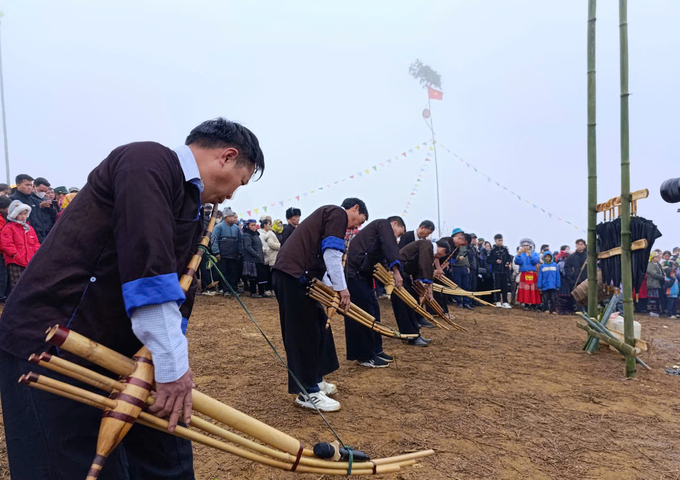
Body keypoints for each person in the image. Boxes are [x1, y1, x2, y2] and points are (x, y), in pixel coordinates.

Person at [0, 117, 264, 478]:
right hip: (52, 341)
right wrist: (172, 367)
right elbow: (148, 268)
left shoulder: (189, 200)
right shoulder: (147, 162)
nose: (232, 195)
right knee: (66, 464)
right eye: (241, 182)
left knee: (161, 456)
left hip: (116, 350)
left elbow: (175, 288)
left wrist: (160, 357)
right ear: (228, 157)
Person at [273, 198, 368, 412]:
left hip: (302, 279)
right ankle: (307, 392)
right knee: (302, 334)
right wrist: (342, 289)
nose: (355, 227)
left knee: (318, 325)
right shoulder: (337, 214)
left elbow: (322, 261)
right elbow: (332, 254)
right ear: (354, 209)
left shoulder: (328, 217)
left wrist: (329, 291)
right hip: (292, 276)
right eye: (358, 221)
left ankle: (316, 378)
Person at [345, 216, 405, 368]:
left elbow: (383, 253)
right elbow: (389, 245)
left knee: (374, 312)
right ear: (394, 224)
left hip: (364, 276)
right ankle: (365, 356)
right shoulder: (383, 224)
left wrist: (388, 272)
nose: (397, 238)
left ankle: (376, 350)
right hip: (354, 275)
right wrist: (396, 271)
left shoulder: (377, 233)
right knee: (362, 314)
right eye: (398, 233)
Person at [392, 238, 450, 346]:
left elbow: (420, 266)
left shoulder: (426, 248)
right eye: (442, 255)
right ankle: (410, 336)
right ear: (442, 249)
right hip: (399, 275)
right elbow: (425, 265)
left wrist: (422, 283)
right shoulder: (427, 245)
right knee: (406, 306)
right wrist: (427, 285)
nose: (439, 257)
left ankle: (414, 334)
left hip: (405, 276)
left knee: (412, 305)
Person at [1, 200, 41, 288]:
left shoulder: (29, 228)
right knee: (17, 284)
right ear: (14, 214)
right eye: (20, 214)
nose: (23, 216)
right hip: (15, 261)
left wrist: (36, 253)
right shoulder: (9, 227)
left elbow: (35, 243)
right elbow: (6, 243)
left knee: (29, 283)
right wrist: (14, 254)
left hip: (29, 260)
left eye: (25, 214)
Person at [10, 174, 57, 243]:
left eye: (30, 185)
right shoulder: (12, 200)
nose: (29, 187)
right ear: (18, 185)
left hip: (39, 235)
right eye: (27, 185)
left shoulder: (35, 200)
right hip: (22, 236)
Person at [211, 207, 242, 296]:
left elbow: (240, 241)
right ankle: (226, 290)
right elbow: (214, 240)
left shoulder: (236, 228)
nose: (233, 218)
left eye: (233, 216)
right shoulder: (218, 227)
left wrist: (240, 252)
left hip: (234, 255)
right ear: (225, 217)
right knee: (224, 273)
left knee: (234, 273)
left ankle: (234, 289)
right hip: (223, 255)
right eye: (230, 217)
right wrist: (217, 252)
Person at [242, 219, 271, 298]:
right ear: (248, 226)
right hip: (252, 260)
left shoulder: (255, 234)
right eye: (252, 225)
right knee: (253, 277)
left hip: (259, 258)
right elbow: (248, 247)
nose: (254, 227)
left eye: (255, 225)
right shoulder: (247, 235)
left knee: (261, 276)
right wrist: (256, 254)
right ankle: (253, 292)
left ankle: (262, 292)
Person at [515, 238, 541, 309]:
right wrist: (519, 255)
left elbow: (535, 261)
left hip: (532, 273)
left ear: (530, 246)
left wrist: (530, 255)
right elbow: (517, 262)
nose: (526, 247)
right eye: (524, 245)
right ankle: (525, 303)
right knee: (525, 289)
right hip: (524, 273)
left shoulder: (534, 254)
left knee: (532, 289)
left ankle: (534, 303)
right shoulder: (521, 254)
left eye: (527, 245)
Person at [488, 234, 512, 308]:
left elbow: (509, 258)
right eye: (499, 240)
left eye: (501, 240)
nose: (500, 242)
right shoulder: (492, 251)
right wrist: (495, 261)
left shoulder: (505, 250)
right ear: (495, 241)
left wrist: (508, 263)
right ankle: (498, 300)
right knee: (497, 286)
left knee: (505, 286)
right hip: (496, 271)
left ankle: (505, 301)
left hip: (504, 271)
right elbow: (488, 260)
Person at [259, 216, 280, 295]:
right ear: (265, 225)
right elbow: (265, 244)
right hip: (266, 255)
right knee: (267, 274)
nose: (270, 225)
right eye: (269, 224)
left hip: (270, 256)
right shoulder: (262, 234)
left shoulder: (270, 233)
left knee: (270, 273)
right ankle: (267, 289)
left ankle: (271, 289)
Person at [452, 234, 473, 310]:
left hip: (464, 267)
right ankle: (459, 302)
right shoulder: (454, 244)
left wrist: (467, 266)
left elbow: (466, 257)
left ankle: (466, 302)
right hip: (456, 267)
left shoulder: (465, 246)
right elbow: (451, 256)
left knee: (466, 285)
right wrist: (458, 258)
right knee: (458, 285)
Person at [0, 196, 14, 299]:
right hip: (1, 251)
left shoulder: (3, 218)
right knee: (2, 274)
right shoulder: (1, 220)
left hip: (3, 250)